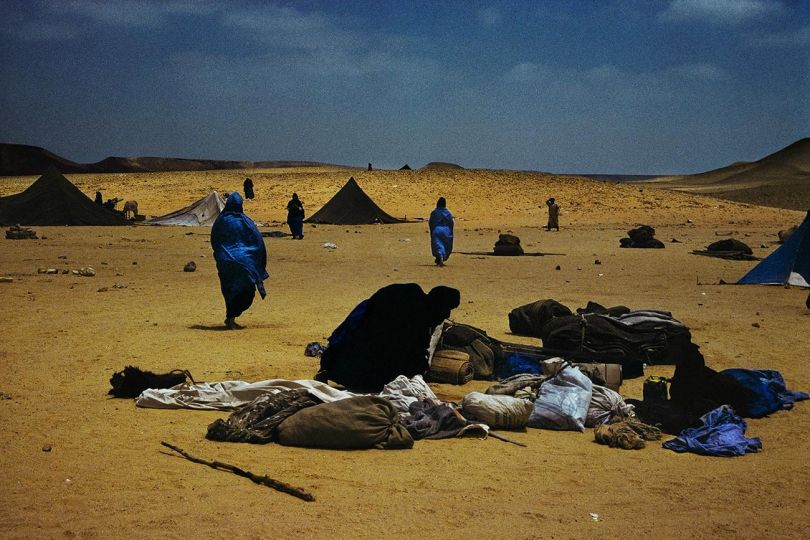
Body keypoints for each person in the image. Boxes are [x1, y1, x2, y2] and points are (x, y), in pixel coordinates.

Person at [315, 283, 461, 391]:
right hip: (369, 344)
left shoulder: (415, 298)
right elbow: (413, 346)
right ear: (438, 305)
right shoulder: (417, 313)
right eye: (447, 309)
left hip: (360, 332)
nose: (447, 315)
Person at [210, 192, 268, 329]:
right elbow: (258, 241)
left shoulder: (220, 221)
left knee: (230, 290)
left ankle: (230, 317)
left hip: (226, 261)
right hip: (245, 262)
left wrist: (220, 254)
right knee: (246, 290)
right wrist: (257, 259)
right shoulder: (246, 221)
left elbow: (215, 240)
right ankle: (231, 318)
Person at [429, 197, 454, 266]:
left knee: (438, 245)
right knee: (445, 245)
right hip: (446, 231)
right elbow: (451, 224)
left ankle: (439, 256)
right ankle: (441, 257)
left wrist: (432, 231)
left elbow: (431, 223)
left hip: (436, 230)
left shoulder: (434, 212)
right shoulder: (448, 213)